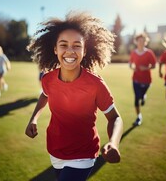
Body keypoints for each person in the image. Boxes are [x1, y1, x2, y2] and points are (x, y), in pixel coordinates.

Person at [25, 12, 123, 181]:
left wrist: (113, 142)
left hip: (83, 155)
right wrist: (33, 119)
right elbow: (44, 95)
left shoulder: (95, 84)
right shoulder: (48, 79)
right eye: (63, 45)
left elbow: (115, 118)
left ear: (84, 51)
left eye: (77, 45)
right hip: (55, 151)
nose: (70, 51)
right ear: (55, 49)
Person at [128, 33, 157, 126]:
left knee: (141, 96)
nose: (141, 42)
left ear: (146, 42)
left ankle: (143, 96)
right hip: (135, 79)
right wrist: (133, 68)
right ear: (136, 42)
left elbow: (154, 65)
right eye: (139, 40)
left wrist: (146, 68)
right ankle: (138, 117)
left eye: (143, 41)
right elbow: (130, 64)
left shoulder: (149, 53)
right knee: (137, 99)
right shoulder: (133, 52)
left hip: (147, 80)